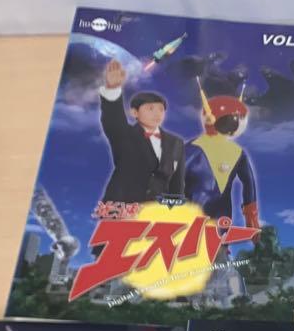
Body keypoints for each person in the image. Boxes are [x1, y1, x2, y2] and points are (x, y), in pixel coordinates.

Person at [98, 58, 184, 204]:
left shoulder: (176, 142)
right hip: (121, 209)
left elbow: (177, 184)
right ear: (134, 112)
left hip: (156, 211)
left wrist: (174, 210)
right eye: (150, 109)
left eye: (161, 109)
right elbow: (113, 119)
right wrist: (112, 89)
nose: (157, 114)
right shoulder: (124, 135)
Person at [184, 80, 259, 230]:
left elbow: (172, 179)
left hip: (193, 217)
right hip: (220, 218)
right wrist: (251, 217)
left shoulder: (189, 147)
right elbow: (249, 184)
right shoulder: (238, 152)